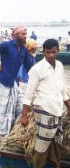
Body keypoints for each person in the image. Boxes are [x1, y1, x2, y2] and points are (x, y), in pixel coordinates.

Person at [21, 39, 70, 168]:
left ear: (58, 51)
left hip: (57, 109)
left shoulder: (59, 66)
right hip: (44, 109)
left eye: (54, 52)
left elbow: (62, 89)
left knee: (56, 139)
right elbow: (28, 93)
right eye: (48, 52)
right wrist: (24, 115)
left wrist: (69, 107)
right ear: (43, 52)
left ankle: (56, 164)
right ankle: (38, 165)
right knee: (42, 143)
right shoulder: (37, 69)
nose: (51, 55)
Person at [0, 25, 34, 135]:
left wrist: (31, 54)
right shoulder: (6, 45)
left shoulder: (24, 50)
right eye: (22, 34)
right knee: (2, 110)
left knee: (16, 107)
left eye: (26, 34)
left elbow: (29, 66)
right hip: (3, 81)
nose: (25, 36)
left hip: (14, 82)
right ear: (15, 35)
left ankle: (10, 129)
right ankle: (2, 132)